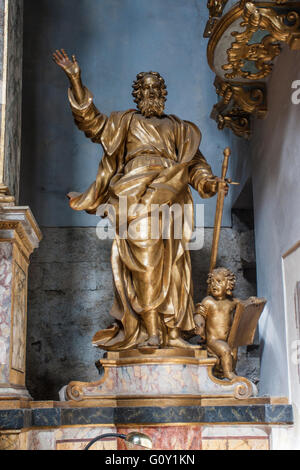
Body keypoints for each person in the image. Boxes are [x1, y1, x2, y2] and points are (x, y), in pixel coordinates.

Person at [53, 49, 228, 351]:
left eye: (155, 88)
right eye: (144, 88)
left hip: (172, 194)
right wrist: (75, 78)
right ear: (137, 95)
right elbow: (90, 123)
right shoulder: (125, 122)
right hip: (134, 197)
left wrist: (210, 183)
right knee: (146, 261)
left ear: (163, 94)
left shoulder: (180, 128)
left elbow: (196, 167)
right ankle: (151, 329)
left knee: (175, 266)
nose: (150, 92)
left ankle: (172, 333)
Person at [194, 267, 238, 378]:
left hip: (229, 339)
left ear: (228, 284)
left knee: (233, 354)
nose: (214, 285)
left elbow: (245, 305)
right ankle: (229, 374)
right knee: (225, 351)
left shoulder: (232, 302)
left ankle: (227, 371)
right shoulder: (208, 301)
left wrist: (253, 301)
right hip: (213, 341)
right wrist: (199, 323)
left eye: (219, 281)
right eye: (212, 282)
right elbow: (199, 314)